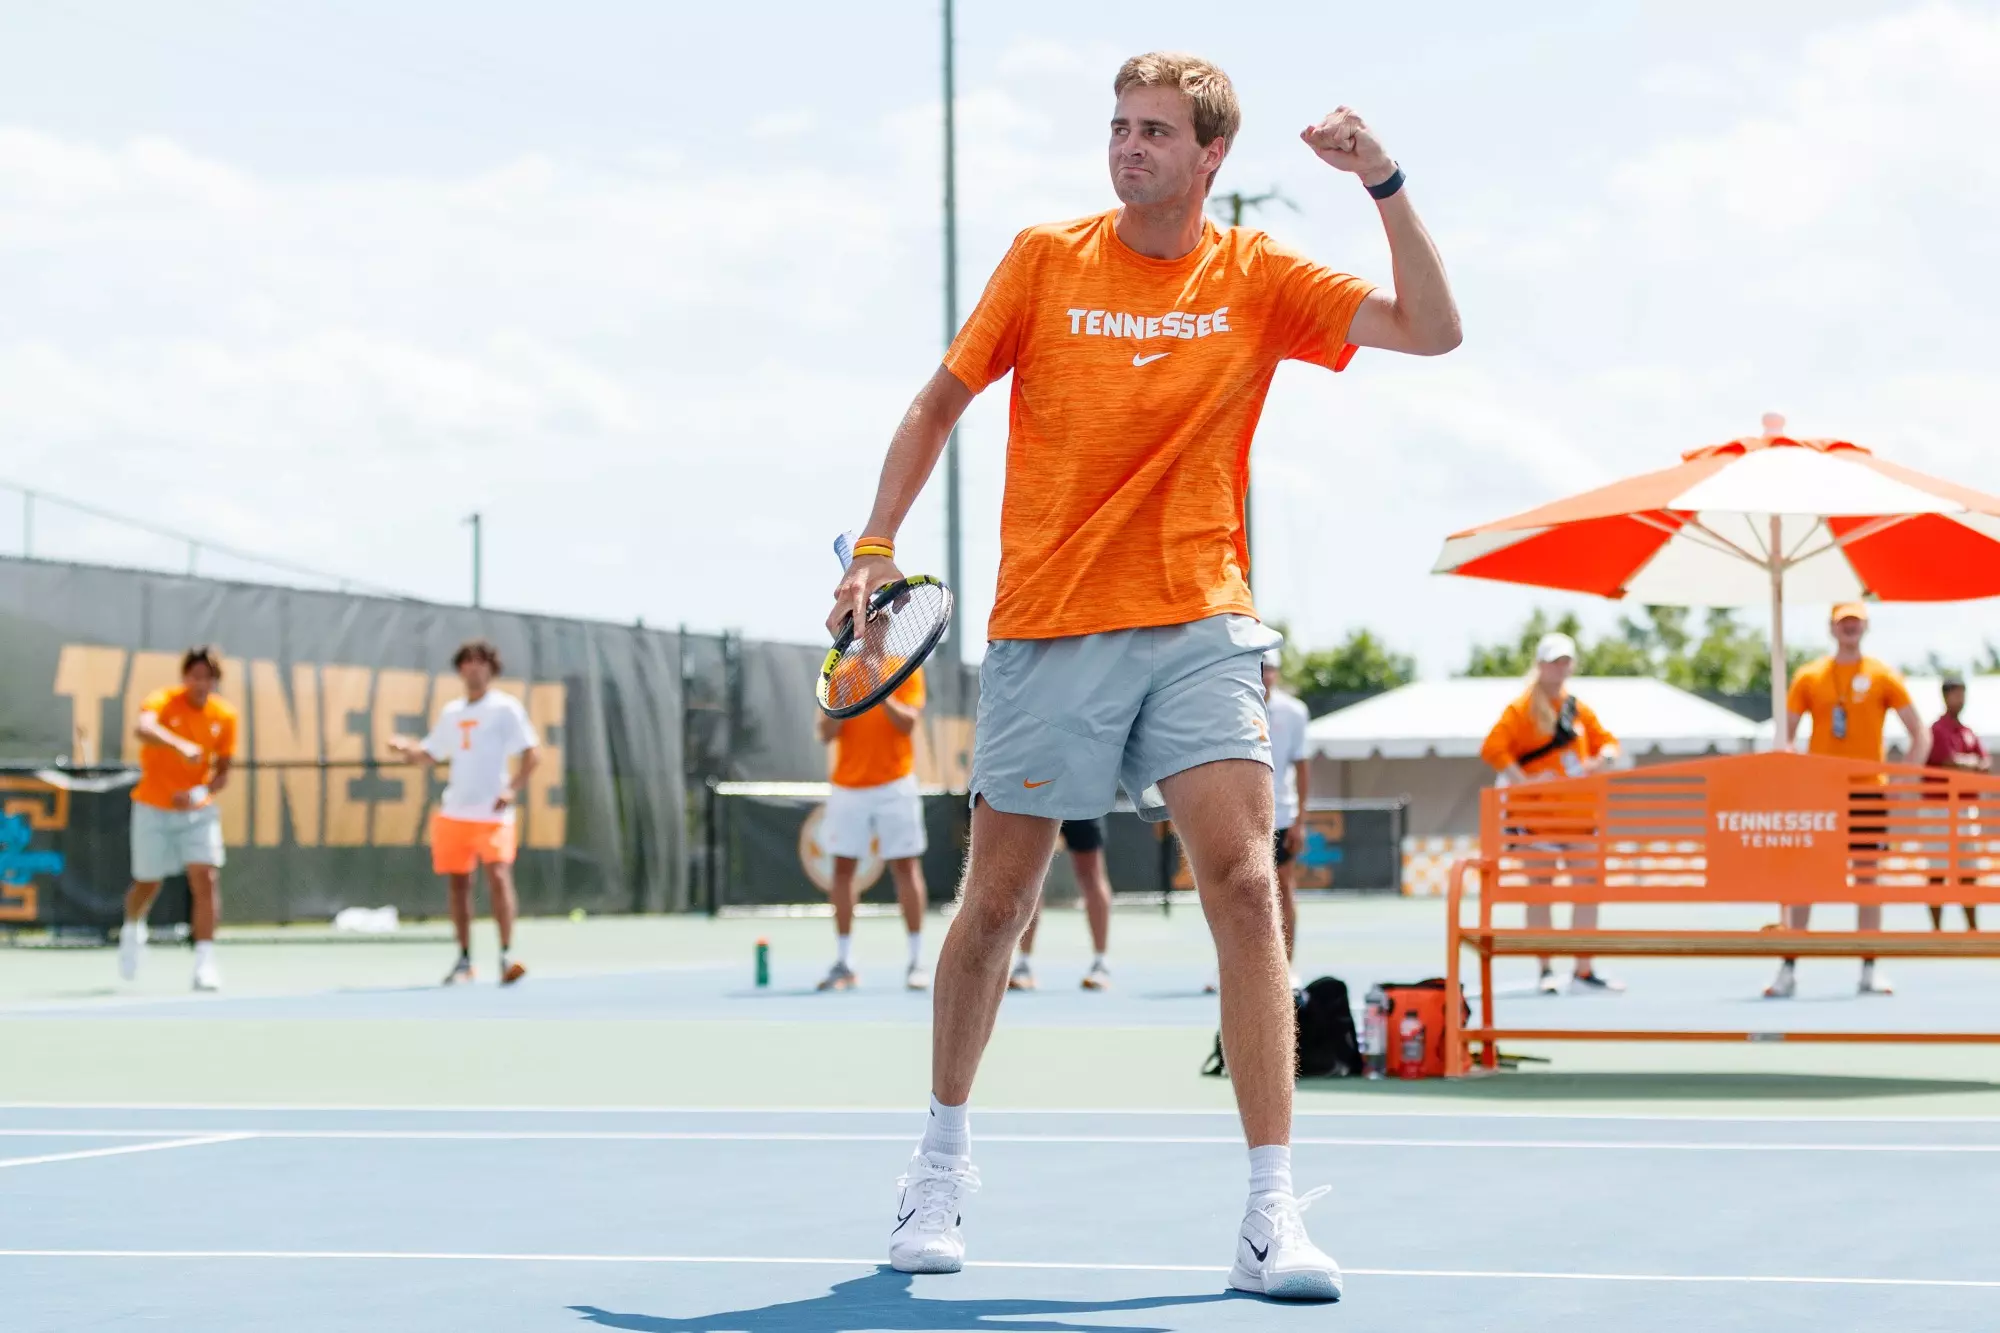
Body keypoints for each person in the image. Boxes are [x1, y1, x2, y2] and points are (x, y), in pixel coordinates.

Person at [827, 51, 1458, 1299]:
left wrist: (1381, 179)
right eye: (1119, 127)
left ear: (1211, 155)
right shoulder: (1043, 260)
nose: (1128, 147)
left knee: (1243, 885)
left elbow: (1431, 331)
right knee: (997, 907)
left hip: (1200, 619)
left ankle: (1269, 1212)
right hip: (1048, 622)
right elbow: (935, 404)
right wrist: (876, 546)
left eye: (1155, 131)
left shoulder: (1259, 275)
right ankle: (938, 1166)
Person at [1766, 603, 1929, 999]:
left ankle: (1869, 968)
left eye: (1855, 620)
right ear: (1831, 627)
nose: (1850, 626)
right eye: (1843, 621)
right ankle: (1789, 967)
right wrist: (1790, 771)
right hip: (1821, 794)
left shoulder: (1882, 674)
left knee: (1868, 880)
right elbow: (1785, 736)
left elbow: (1919, 733)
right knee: (1805, 880)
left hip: (1869, 793)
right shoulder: (1809, 676)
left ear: (1866, 625)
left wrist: (1903, 780)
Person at [385, 639, 539, 987]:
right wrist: (405, 748)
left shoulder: (505, 708)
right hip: (455, 813)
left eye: (481, 661)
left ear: (491, 669)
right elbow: (430, 753)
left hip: (493, 815)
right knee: (458, 885)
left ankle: (506, 955)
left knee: (498, 876)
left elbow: (533, 754)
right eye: (467, 661)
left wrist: (511, 789)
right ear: (460, 669)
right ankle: (465, 960)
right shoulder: (452, 712)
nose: (474, 667)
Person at [1479, 632, 1624, 994]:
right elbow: (1493, 747)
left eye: (1565, 662)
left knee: (1587, 890)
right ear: (1540, 665)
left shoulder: (1577, 707)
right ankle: (1545, 970)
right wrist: (1523, 780)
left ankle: (1584, 970)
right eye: (1554, 662)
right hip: (1538, 819)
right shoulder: (1521, 709)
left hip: (1579, 817)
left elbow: (1608, 741)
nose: (1560, 668)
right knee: (1540, 890)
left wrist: (1602, 759)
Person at [119, 646, 238, 991]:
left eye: (208, 678)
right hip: (152, 807)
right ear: (185, 677)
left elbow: (222, 773)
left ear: (216, 681)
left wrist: (198, 794)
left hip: (197, 811)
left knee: (206, 877)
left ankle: (204, 963)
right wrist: (180, 746)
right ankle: (132, 929)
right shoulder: (162, 700)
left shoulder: (225, 716)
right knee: (148, 882)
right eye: (195, 676)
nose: (201, 683)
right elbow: (142, 729)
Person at [814, 661, 931, 992]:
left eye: (878, 631)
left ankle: (916, 961)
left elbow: (908, 724)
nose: (870, 633)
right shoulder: (839, 672)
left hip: (896, 785)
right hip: (848, 787)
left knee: (906, 868)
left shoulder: (906, 667)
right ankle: (845, 962)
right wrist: (843, 702)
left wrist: (880, 691)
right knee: (842, 870)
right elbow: (824, 734)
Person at [1008, 818, 1114, 991]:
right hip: (1041, 805)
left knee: (1091, 874)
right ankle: (1023, 964)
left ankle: (1100, 964)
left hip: (1081, 805)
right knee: (1031, 876)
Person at [1925, 675, 1986, 933]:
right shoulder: (1937, 730)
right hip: (1939, 809)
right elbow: (1949, 762)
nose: (1961, 699)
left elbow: (1984, 763)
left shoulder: (1967, 731)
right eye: (1956, 694)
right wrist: (1969, 763)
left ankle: (1972, 928)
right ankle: (1936, 929)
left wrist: (1967, 764)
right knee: (1937, 869)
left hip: (1965, 808)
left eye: (1963, 694)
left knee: (1968, 869)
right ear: (1946, 696)